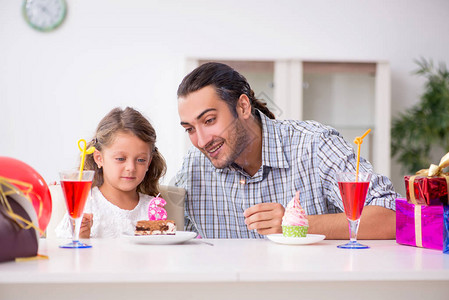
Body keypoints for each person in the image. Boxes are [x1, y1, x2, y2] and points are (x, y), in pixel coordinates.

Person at [175, 62, 400, 239]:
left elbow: (392, 218)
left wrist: (295, 223)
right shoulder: (195, 165)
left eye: (209, 120)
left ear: (243, 107)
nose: (202, 141)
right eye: (189, 129)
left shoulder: (315, 145)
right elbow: (159, 224)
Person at [55, 107, 166, 238]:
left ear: (149, 162)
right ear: (99, 158)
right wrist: (81, 237)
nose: (131, 167)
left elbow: (161, 253)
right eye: (120, 159)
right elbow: (64, 252)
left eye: (141, 160)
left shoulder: (152, 208)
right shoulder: (85, 204)